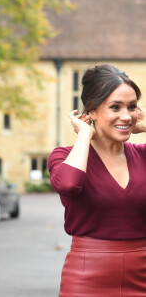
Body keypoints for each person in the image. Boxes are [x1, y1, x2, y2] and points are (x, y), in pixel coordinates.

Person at [48, 63, 146, 296]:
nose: (126, 115)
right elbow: (69, 184)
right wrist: (85, 134)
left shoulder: (143, 155)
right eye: (115, 107)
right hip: (87, 279)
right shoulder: (63, 156)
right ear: (91, 112)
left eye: (131, 107)